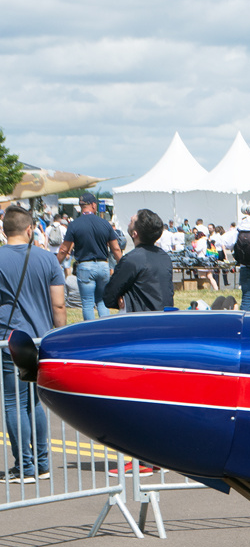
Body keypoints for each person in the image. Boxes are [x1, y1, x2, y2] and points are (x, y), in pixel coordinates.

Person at [0, 206, 66, 483]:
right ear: (30, 230)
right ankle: (42, 463)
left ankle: (24, 466)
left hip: (9, 339)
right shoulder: (47, 259)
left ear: (5, 231)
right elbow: (59, 304)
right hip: (40, 338)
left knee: (14, 403)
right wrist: (60, 336)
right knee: (36, 403)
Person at [56, 192, 121, 321]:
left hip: (85, 266)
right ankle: (106, 328)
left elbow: (64, 249)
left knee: (87, 303)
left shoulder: (74, 225)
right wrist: (122, 263)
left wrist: (55, 263)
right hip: (103, 265)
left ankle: (90, 332)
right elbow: (116, 248)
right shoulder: (105, 224)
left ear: (81, 206)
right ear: (93, 205)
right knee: (102, 301)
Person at [102, 209, 173, 314]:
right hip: (164, 318)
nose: (129, 222)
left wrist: (123, 299)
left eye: (131, 221)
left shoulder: (131, 260)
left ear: (135, 234)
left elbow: (109, 296)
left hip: (140, 320)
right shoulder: (165, 257)